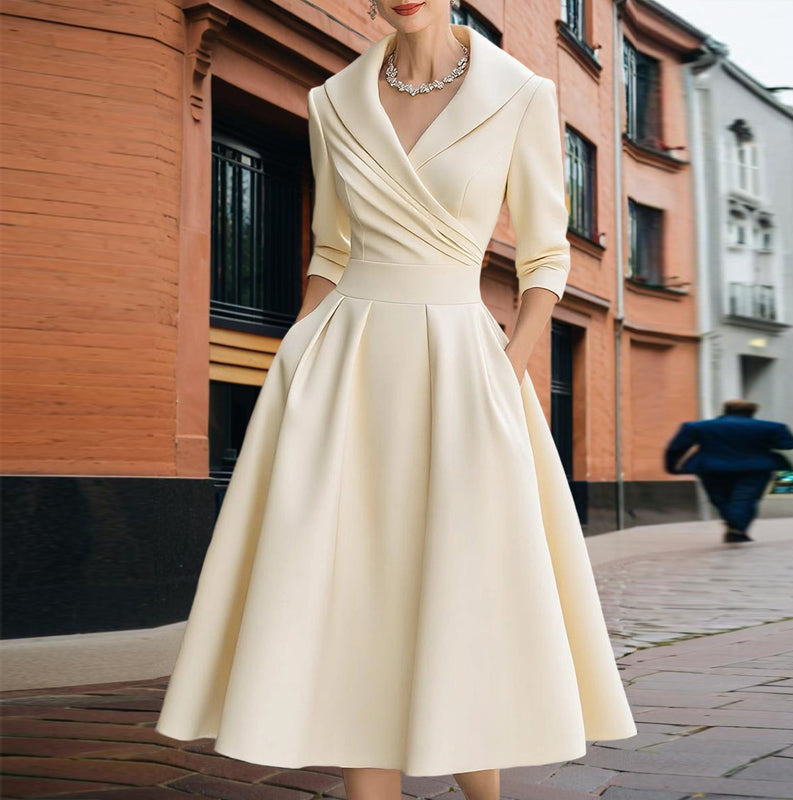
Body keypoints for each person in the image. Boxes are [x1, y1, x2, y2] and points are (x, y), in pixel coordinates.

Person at [154, 2, 637, 797]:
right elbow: (332, 248)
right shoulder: (331, 99)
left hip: (462, 363)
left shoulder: (521, 92)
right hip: (345, 361)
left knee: (465, 575)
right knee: (354, 585)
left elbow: (548, 255)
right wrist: (300, 346)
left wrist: (509, 366)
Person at [665, 400, 793, 543]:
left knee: (719, 498)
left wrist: (672, 467)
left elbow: (676, 448)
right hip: (755, 468)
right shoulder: (772, 427)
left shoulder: (697, 426)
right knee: (745, 499)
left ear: (725, 410)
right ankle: (737, 528)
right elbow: (789, 444)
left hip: (712, 468)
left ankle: (734, 525)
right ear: (752, 412)